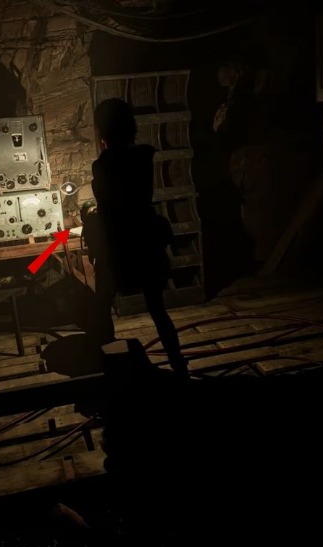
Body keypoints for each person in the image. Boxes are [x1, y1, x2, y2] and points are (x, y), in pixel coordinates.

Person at [82, 97, 189, 380]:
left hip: (118, 247)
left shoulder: (103, 165)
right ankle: (178, 364)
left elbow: (109, 206)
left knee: (102, 305)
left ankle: (107, 366)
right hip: (145, 240)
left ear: (103, 131)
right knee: (158, 309)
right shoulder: (144, 157)